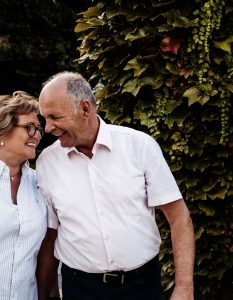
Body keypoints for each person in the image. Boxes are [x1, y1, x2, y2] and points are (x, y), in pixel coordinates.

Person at [36, 71, 195, 300]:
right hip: (80, 289)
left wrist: (184, 288)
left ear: (85, 109)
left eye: (55, 117)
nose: (48, 127)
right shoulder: (46, 163)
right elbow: (50, 236)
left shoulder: (139, 146)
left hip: (142, 286)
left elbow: (179, 217)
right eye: (45, 118)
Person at [0, 91, 47, 300]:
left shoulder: (39, 183)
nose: (36, 135)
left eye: (38, 129)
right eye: (29, 127)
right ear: (2, 132)